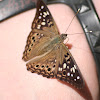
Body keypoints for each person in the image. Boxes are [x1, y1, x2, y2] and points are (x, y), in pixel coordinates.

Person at [0, 0, 99, 100]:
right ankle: (33, 61)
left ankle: (30, 55)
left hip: (37, 42)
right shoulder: (64, 52)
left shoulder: (52, 30)